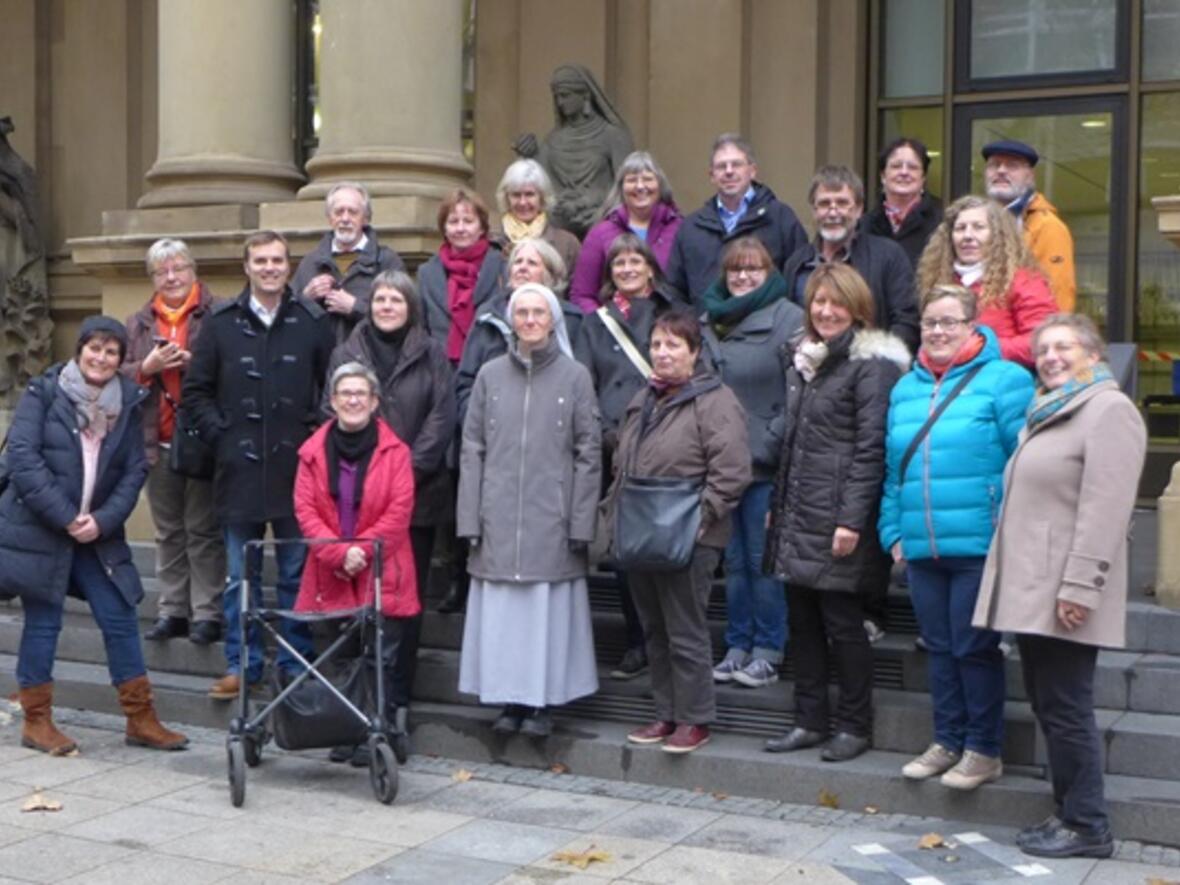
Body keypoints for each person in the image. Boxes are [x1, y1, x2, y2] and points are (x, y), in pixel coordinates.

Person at [972, 314, 1145, 859]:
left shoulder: (1109, 411)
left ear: (1093, 354)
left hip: (1064, 590)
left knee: (1067, 708)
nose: (1050, 356)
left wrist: (1080, 588)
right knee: (1051, 706)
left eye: (1064, 347)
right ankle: (1068, 813)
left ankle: (1089, 825)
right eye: (1043, 349)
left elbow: (1105, 510)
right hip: (1034, 586)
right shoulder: (1050, 411)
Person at [0, 316, 188, 754]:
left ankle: (141, 719)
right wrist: (67, 517)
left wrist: (101, 521)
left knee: (119, 614)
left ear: (122, 360)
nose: (101, 358)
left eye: (111, 351)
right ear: (79, 349)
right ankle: (36, 721)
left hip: (97, 533)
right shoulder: (45, 393)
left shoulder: (132, 401)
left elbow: (135, 467)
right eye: (94, 348)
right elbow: (25, 461)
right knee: (44, 621)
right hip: (41, 528)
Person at [879, 285, 1033, 790]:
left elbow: (1026, 464)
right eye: (930, 323)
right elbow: (893, 473)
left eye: (949, 322)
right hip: (923, 546)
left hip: (979, 544)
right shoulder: (906, 387)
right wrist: (892, 531)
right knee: (940, 650)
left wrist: (1009, 531)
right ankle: (947, 739)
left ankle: (983, 750)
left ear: (973, 325)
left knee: (974, 649)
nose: (939, 332)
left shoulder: (1006, 380)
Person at [763, 264, 910, 762]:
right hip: (799, 513)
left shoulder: (872, 365)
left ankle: (854, 724)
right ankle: (809, 720)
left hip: (840, 519)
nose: (826, 311)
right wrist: (777, 510)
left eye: (836, 303)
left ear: (857, 309)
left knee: (843, 625)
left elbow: (871, 449)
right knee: (801, 622)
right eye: (818, 302)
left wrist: (850, 520)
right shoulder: (807, 360)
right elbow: (796, 445)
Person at [183, 231, 335, 700]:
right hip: (238, 472)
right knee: (238, 576)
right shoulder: (220, 324)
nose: (269, 268)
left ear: (288, 266)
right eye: (260, 260)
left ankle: (294, 661)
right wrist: (223, 437)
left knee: (294, 574)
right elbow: (195, 392)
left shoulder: (312, 322)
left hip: (296, 472)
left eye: (277, 260)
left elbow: (329, 389)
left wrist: (312, 438)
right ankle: (242, 663)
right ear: (246, 267)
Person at [457, 283, 602, 738]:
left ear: (553, 319)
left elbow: (588, 451)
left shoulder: (575, 376)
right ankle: (509, 702)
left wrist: (581, 520)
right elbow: (472, 446)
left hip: (551, 516)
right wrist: (469, 516)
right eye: (523, 313)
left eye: (540, 312)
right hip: (498, 514)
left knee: (545, 617)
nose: (531, 320)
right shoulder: (489, 375)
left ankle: (542, 705)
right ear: (512, 319)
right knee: (504, 618)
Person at [612, 308, 751, 754]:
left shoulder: (716, 400)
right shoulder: (644, 397)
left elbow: (731, 471)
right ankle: (665, 712)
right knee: (654, 628)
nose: (662, 353)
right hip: (641, 529)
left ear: (694, 352)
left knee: (685, 630)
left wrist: (699, 521)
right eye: (656, 344)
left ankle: (694, 719)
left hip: (690, 533)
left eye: (673, 345)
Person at [322, 271, 455, 727]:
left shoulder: (432, 352)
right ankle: (356, 701)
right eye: (379, 298)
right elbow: (332, 410)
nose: (386, 306)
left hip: (414, 500)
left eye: (396, 299)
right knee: (354, 602)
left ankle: (396, 700)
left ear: (410, 307)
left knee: (401, 604)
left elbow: (442, 416)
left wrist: (402, 471)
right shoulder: (346, 352)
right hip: (353, 499)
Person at [294, 362, 419, 766]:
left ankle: (374, 732)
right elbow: (305, 510)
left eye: (360, 394)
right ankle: (344, 730)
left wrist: (361, 551)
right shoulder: (311, 452)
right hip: (329, 570)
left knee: (379, 658)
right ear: (332, 401)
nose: (352, 400)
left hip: (383, 570)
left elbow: (399, 512)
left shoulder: (395, 452)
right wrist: (336, 553)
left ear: (374, 402)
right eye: (345, 393)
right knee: (340, 656)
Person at [445, 236, 575, 616]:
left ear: (552, 276)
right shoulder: (486, 322)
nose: (521, 267)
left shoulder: (576, 322)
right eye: (516, 261)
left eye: (532, 263)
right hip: (497, 454)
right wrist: (489, 419)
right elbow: (466, 383)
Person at [700, 237, 803, 690]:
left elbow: (797, 393)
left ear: (770, 272)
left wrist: (768, 444)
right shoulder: (708, 320)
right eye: (735, 270)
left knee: (763, 563)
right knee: (735, 563)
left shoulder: (789, 319)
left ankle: (768, 650)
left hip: (765, 466)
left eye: (753, 269)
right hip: (722, 467)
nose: (743, 277)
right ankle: (738, 645)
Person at [574, 233, 675, 680]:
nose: (628, 269)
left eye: (636, 262)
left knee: (659, 549)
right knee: (622, 553)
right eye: (619, 264)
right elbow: (584, 386)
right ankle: (638, 640)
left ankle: (666, 644)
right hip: (612, 449)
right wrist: (602, 436)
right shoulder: (594, 324)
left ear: (651, 268)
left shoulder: (670, 318)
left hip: (659, 446)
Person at [122, 238, 225, 645]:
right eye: (162, 271)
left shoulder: (217, 314)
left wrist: (193, 364)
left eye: (178, 268)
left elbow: (234, 368)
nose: (171, 277)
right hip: (154, 439)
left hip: (201, 438)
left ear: (193, 270)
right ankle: (172, 610)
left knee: (202, 529)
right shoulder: (137, 322)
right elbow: (113, 374)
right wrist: (146, 368)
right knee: (168, 531)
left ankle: (207, 613)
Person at [782, 165, 920, 353]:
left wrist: (876, 362)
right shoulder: (796, 264)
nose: (833, 212)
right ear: (814, 211)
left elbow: (907, 321)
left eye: (842, 203)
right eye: (824, 204)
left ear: (858, 209)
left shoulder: (889, 256)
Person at [665, 134, 807, 309]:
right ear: (711, 175)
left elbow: (799, 281)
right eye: (721, 166)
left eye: (736, 164)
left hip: (769, 332)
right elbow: (673, 290)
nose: (729, 171)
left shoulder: (780, 218)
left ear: (752, 171)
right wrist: (693, 326)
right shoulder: (691, 228)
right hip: (704, 332)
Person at [916, 195, 1057, 369]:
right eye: (960, 228)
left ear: (998, 235)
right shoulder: (938, 281)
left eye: (978, 227)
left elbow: (1043, 340)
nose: (968, 235)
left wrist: (978, 349)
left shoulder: (1024, 281)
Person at [513, 64, 634, 238]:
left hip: (602, 223)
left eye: (565, 95)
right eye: (557, 97)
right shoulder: (554, 140)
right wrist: (529, 154)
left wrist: (590, 208)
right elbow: (541, 184)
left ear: (585, 95)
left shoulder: (613, 135)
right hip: (560, 226)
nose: (560, 103)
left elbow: (626, 185)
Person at [290, 182, 406, 342]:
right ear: (330, 219)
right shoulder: (310, 263)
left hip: (368, 361)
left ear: (365, 219)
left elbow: (404, 318)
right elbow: (287, 319)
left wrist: (355, 308)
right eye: (338, 212)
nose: (345, 219)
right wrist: (306, 297)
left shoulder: (387, 261)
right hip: (321, 363)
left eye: (352, 212)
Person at [569, 151, 683, 312]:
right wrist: (604, 323)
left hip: (667, 329)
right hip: (613, 330)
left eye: (648, 179)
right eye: (631, 180)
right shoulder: (600, 233)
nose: (640, 186)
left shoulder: (680, 228)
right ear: (621, 187)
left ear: (660, 185)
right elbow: (582, 295)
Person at [983, 139, 1076, 312]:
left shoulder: (1048, 227)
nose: (1001, 171)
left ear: (1030, 176)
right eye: (994, 165)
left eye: (1012, 165)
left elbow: (1058, 296)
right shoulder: (977, 222)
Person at [418, 188, 507, 366]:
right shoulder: (427, 273)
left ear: (482, 227)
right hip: (442, 371)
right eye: (453, 221)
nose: (460, 228)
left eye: (468, 221)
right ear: (444, 227)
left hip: (491, 366)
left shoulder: (502, 267)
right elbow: (421, 328)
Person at [491, 158, 581, 277]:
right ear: (506, 198)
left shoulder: (567, 243)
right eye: (516, 195)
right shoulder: (492, 242)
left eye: (529, 194)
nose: (523, 202)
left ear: (542, 197)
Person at [863, 138, 944, 269]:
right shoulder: (864, 226)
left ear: (923, 178)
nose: (904, 172)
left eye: (912, 167)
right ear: (883, 176)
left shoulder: (942, 224)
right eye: (896, 166)